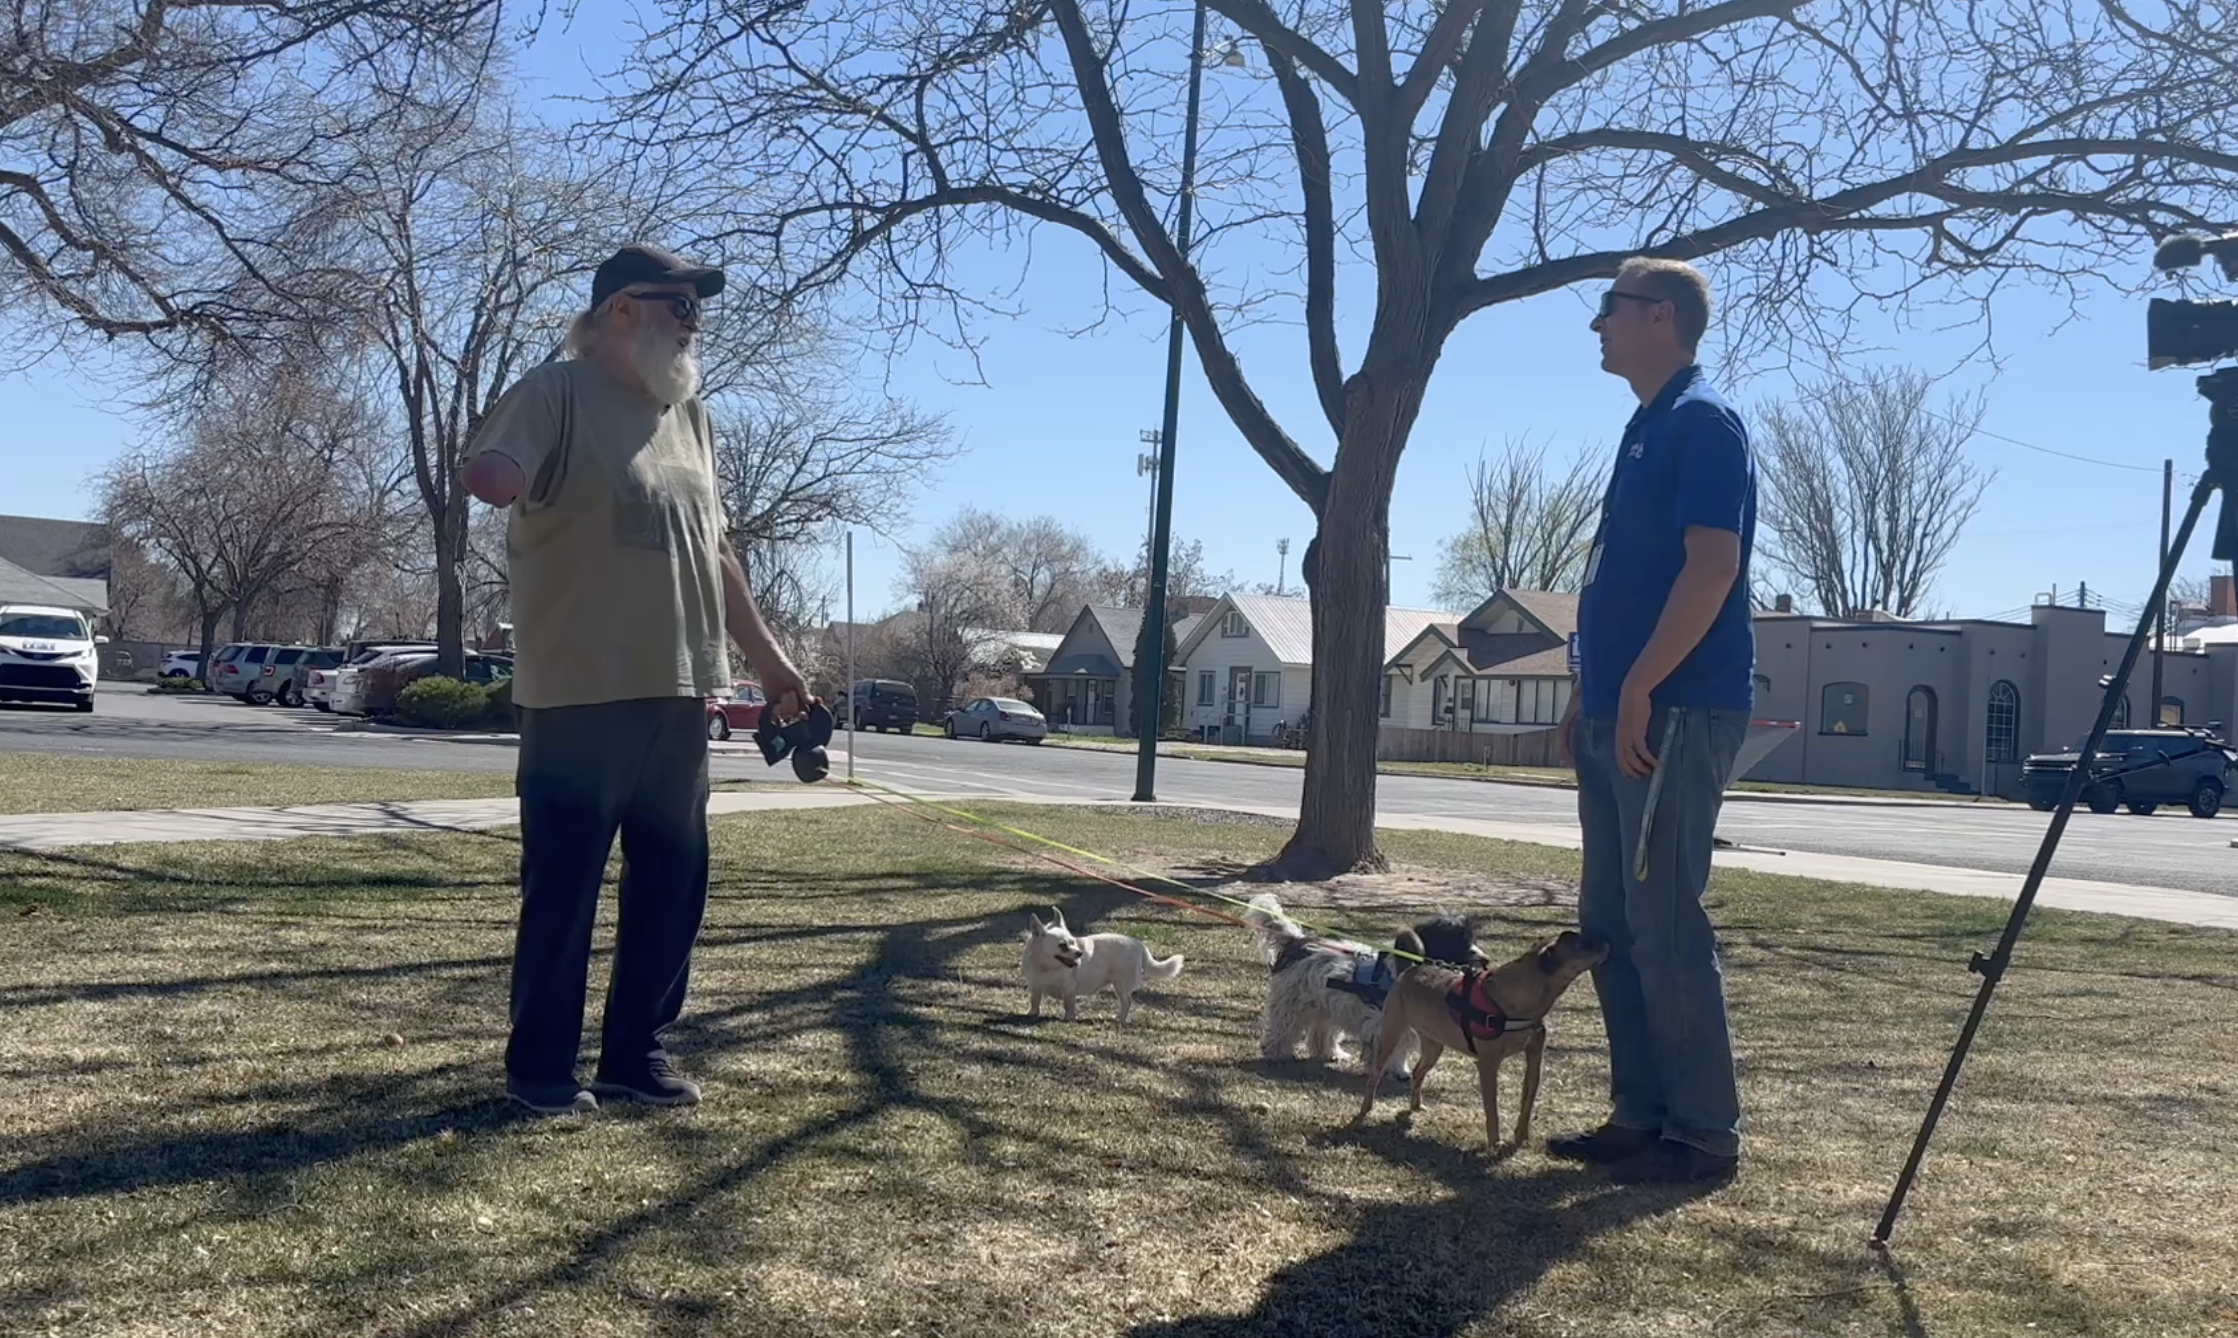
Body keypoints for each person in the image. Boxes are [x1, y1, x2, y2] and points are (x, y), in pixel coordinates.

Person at [460, 243, 811, 1116]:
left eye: (698, 310)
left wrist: (770, 665)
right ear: (623, 309)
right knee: (566, 891)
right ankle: (540, 1071)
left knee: (670, 886)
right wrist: (495, 473)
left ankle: (635, 1056)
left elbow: (716, 555)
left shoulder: (689, 419)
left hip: (681, 692)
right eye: (680, 307)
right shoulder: (555, 392)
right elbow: (492, 473)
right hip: (578, 691)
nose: (695, 325)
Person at [1549, 256, 1757, 1184]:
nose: (1597, 326)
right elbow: (1618, 584)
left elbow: (1711, 568)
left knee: (1663, 918)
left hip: (1674, 710)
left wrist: (1638, 687)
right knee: (1609, 919)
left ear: (1659, 317)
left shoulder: (1702, 422)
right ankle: (1640, 1113)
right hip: (1618, 709)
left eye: (1610, 309)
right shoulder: (1646, 425)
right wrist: (1590, 690)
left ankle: (1704, 1133)